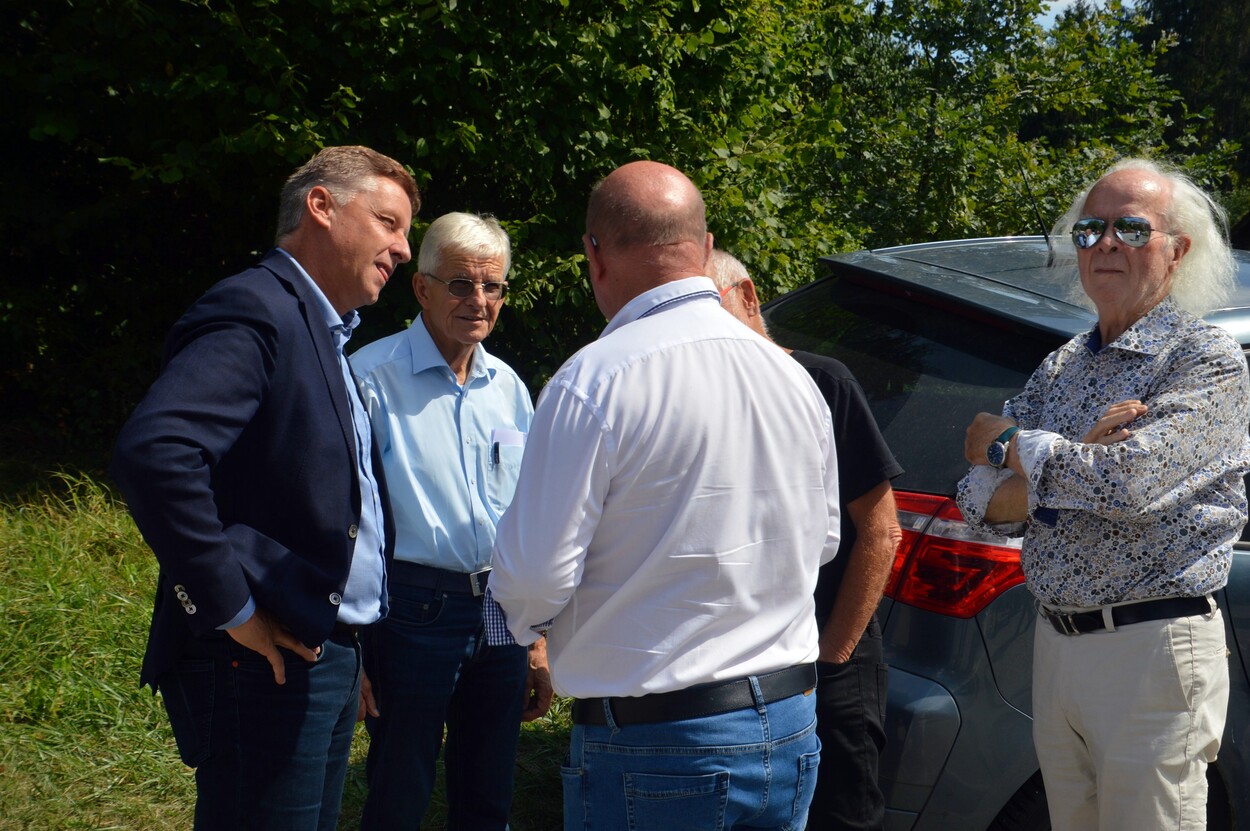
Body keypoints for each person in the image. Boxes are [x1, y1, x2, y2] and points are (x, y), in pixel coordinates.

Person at [485, 160, 841, 831]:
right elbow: (821, 540)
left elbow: (533, 575)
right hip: (788, 723)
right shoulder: (789, 376)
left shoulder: (594, 380)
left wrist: (534, 627)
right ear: (704, 250)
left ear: (594, 256)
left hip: (658, 739)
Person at [110, 145, 419, 831]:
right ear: (321, 206)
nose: (402, 249)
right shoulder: (258, 308)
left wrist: (352, 641)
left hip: (323, 655)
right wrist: (232, 606)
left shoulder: (324, 333)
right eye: (389, 223)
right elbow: (158, 452)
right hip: (263, 663)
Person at [956, 157, 1250, 831]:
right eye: (1090, 230)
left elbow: (1132, 482)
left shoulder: (1204, 359)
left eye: (1129, 228)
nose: (1106, 244)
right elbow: (974, 495)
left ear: (1177, 251)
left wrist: (1014, 446)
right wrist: (1078, 454)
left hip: (1149, 651)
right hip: (1057, 646)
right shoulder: (1062, 363)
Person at [350, 212, 553, 829]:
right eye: (462, 284)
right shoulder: (370, 378)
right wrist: (351, 647)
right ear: (422, 288)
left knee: (489, 789)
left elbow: (527, 512)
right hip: (410, 608)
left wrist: (537, 635)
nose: (480, 301)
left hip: (499, 605)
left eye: (493, 287)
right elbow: (344, 520)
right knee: (398, 785)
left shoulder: (510, 388)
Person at [709, 248, 902, 831]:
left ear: (747, 297)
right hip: (739, 668)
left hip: (827, 658)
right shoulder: (705, 394)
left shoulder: (820, 381)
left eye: (709, 312)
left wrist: (832, 657)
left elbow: (880, 529)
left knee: (840, 813)